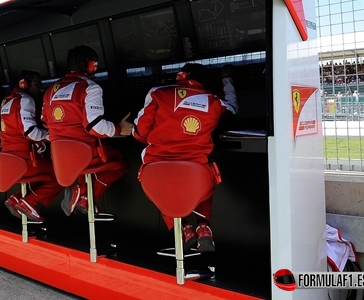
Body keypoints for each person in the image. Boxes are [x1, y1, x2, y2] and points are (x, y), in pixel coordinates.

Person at [132, 63, 238, 253]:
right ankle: (203, 226)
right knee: (206, 186)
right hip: (195, 174)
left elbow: (139, 133)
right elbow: (232, 109)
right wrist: (227, 78)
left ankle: (182, 228)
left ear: (181, 75)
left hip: (155, 173)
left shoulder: (158, 93)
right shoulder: (213, 100)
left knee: (161, 193)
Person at [41, 45, 132, 216]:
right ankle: (85, 196)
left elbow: (45, 123)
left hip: (59, 157)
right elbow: (94, 126)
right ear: (91, 65)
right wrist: (120, 128)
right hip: (86, 155)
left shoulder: (50, 90)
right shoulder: (90, 87)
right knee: (120, 164)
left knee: (85, 165)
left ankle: (81, 192)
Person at [0, 70, 62, 221]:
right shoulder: (26, 99)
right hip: (24, 159)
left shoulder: (7, 100)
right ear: (24, 84)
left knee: (42, 175)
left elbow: (17, 130)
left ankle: (16, 198)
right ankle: (29, 202)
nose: (40, 88)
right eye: (36, 84)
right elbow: (30, 132)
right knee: (60, 175)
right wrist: (50, 135)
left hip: (8, 158)